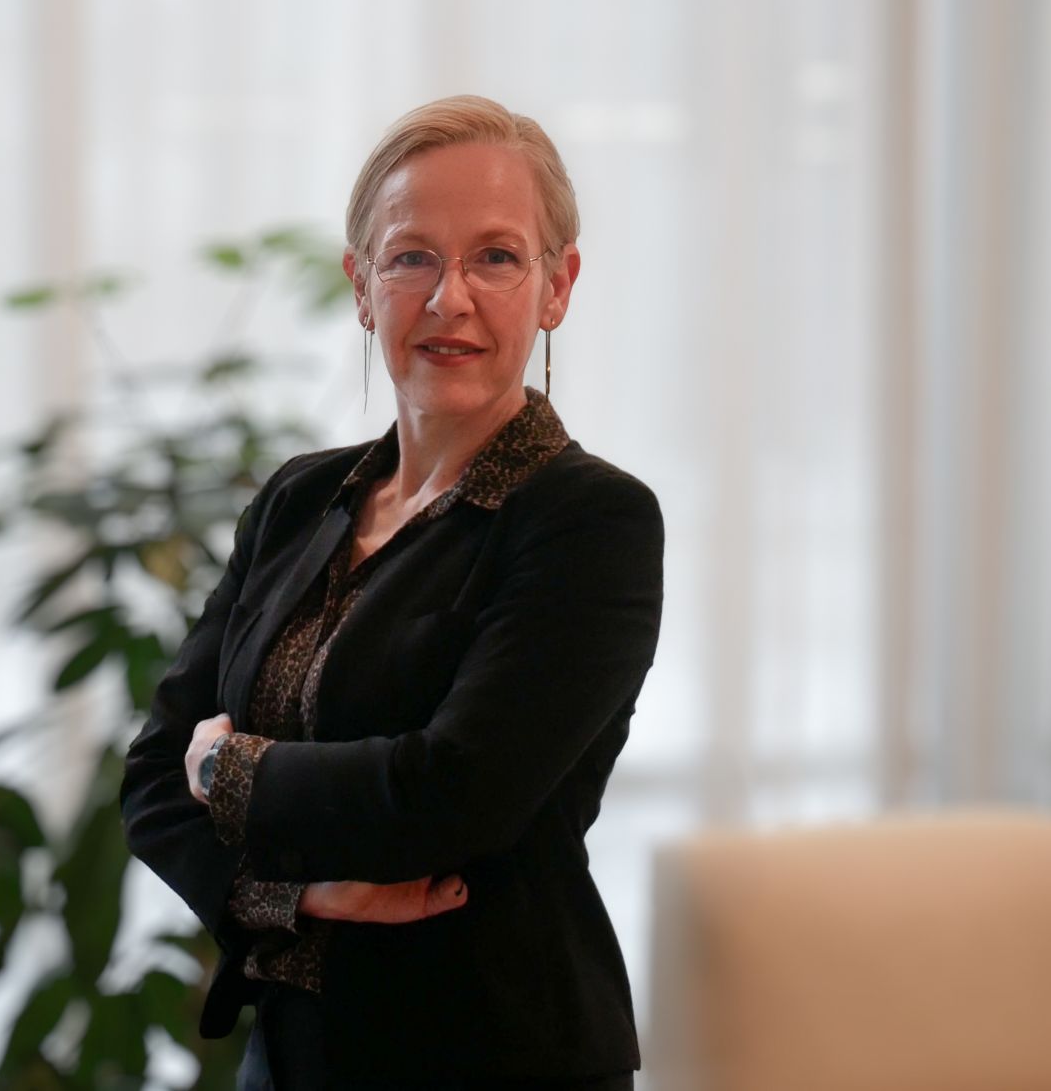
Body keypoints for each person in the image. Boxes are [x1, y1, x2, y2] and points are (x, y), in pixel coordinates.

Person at [120, 95, 664, 1090]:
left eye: (496, 257)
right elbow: (154, 776)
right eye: (412, 257)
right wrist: (301, 895)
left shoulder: (591, 522)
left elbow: (450, 796)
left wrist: (228, 766)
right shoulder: (297, 500)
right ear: (363, 286)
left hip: (498, 1061)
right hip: (292, 1060)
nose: (450, 297)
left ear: (557, 286)